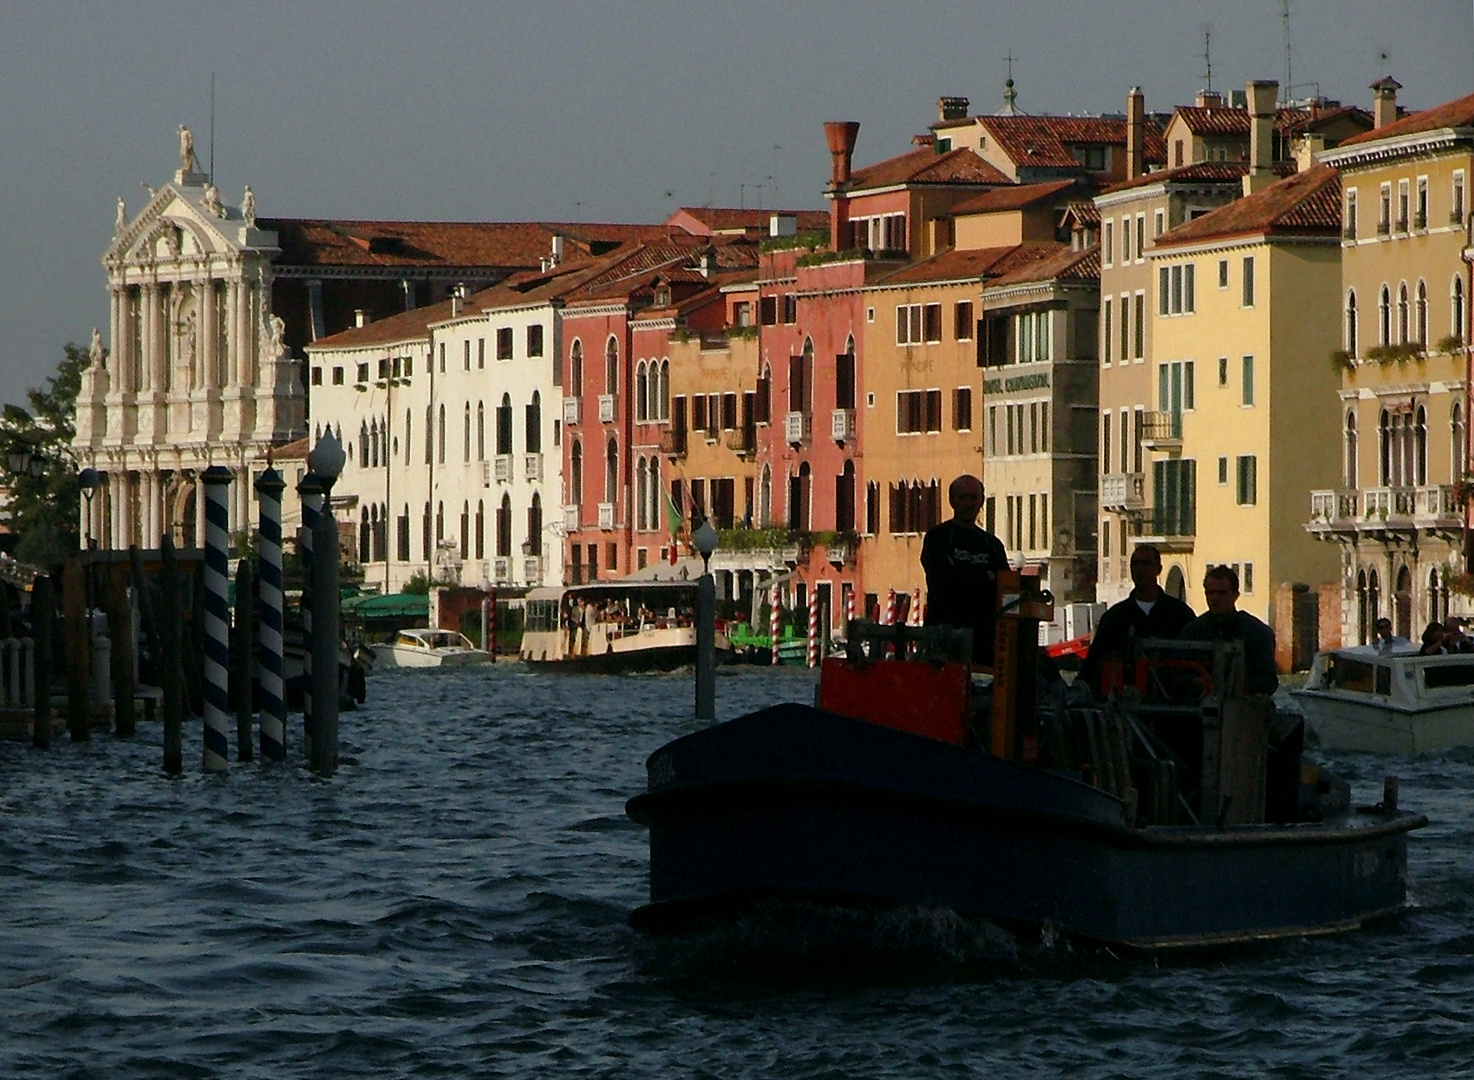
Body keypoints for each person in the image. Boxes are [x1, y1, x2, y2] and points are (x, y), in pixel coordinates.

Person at [1078, 544, 1195, 695]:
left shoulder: (1180, 614)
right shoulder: (1115, 617)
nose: (1139, 569)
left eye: (1146, 564)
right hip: (1123, 702)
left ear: (1158, 569)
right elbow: (1093, 663)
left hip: (1172, 703)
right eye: (1135, 564)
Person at [920, 474, 1010, 665]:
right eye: (962, 498)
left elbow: (1006, 587)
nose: (968, 504)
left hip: (984, 640)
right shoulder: (938, 538)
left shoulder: (992, 545)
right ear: (952, 501)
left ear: (981, 501)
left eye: (973, 497)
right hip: (944, 636)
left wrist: (963, 576)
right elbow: (942, 581)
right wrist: (985, 578)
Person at [1178, 565, 1278, 695]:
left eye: (1221, 593)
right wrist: (1195, 682)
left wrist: (1237, 686)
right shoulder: (1192, 631)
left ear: (1235, 595)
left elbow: (1267, 680)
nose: (1214, 598)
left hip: (1244, 708)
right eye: (1210, 593)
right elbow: (1177, 671)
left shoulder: (1256, 632)